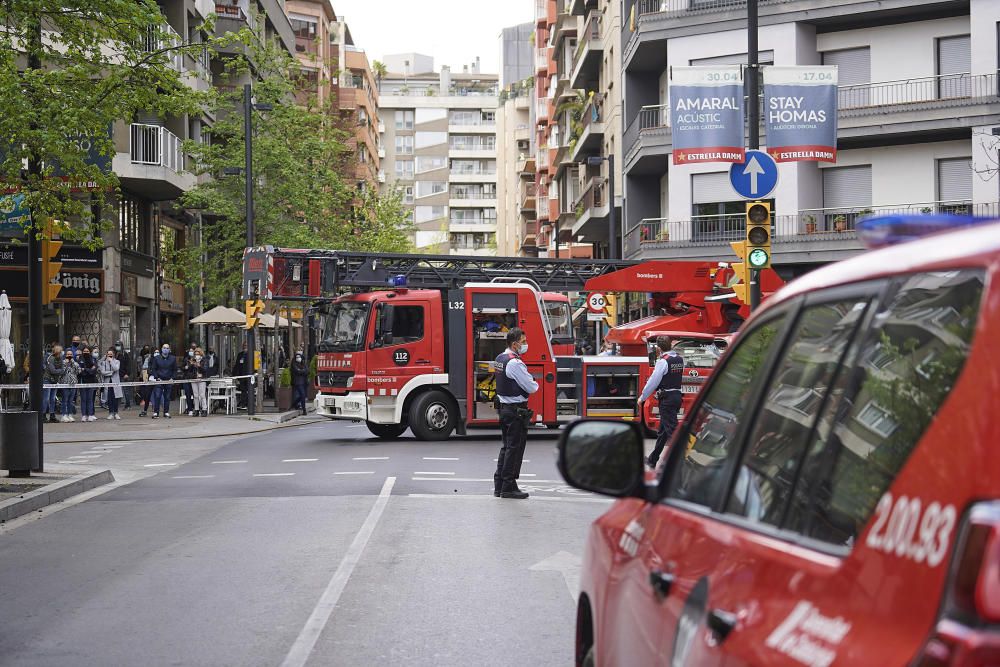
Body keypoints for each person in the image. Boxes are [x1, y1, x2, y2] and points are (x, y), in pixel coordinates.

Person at [492, 327, 539, 500]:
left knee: (506, 447)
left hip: (504, 408)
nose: (525, 345)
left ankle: (500, 485)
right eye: (523, 342)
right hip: (515, 410)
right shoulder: (515, 363)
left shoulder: (500, 358)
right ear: (514, 344)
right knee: (515, 448)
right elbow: (532, 387)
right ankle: (509, 486)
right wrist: (533, 381)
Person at [638, 335, 685, 469]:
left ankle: (684, 461)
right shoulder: (679, 359)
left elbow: (653, 381)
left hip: (667, 399)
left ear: (658, 348)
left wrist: (642, 397)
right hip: (677, 396)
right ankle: (653, 460)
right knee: (663, 431)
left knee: (672, 431)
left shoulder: (663, 362)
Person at [149, 343, 177, 418]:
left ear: (169, 350)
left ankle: (166, 412)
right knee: (157, 396)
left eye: (167, 348)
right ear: (161, 349)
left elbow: (175, 370)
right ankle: (156, 412)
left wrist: (172, 378)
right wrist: (157, 377)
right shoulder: (157, 358)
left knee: (167, 397)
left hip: (168, 380)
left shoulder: (173, 358)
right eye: (164, 348)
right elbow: (153, 369)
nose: (166, 349)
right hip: (159, 380)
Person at [42, 344, 66, 423]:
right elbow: (53, 370)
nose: (61, 353)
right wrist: (60, 371)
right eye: (60, 352)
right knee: (46, 398)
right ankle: (43, 415)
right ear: (57, 352)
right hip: (47, 379)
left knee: (52, 399)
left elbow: (63, 370)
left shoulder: (61, 359)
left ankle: (52, 415)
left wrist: (59, 371)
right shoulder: (51, 358)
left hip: (55, 380)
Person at [98, 347, 123, 420]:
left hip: (115, 382)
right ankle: (111, 413)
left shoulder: (117, 361)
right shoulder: (104, 362)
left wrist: (111, 361)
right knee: (109, 398)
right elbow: (103, 372)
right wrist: (111, 373)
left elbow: (116, 368)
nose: (110, 355)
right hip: (108, 382)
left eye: (111, 354)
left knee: (115, 398)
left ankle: (116, 413)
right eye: (108, 354)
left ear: (114, 355)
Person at [59, 348, 80, 422]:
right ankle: (64, 415)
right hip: (65, 383)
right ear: (65, 355)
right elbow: (61, 372)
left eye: (70, 354)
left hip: (73, 383)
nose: (69, 356)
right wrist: (66, 364)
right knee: (65, 400)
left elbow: (78, 371)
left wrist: (73, 362)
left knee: (71, 400)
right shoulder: (63, 362)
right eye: (68, 354)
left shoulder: (75, 363)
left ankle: (70, 414)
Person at [78, 345, 98, 422]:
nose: (86, 352)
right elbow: (80, 371)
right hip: (82, 381)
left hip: (91, 382)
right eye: (84, 351)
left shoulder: (93, 359)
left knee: (90, 399)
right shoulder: (80, 359)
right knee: (84, 399)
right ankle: (84, 415)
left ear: (90, 352)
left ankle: (90, 415)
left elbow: (93, 371)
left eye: (87, 351)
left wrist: (85, 369)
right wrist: (88, 370)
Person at [189, 347, 209, 417]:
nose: (197, 355)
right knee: (195, 395)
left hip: (202, 379)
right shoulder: (193, 360)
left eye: (198, 354)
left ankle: (204, 409)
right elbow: (189, 370)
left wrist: (199, 366)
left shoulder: (204, 360)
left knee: (202, 395)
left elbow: (205, 370)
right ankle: (196, 409)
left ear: (201, 354)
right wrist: (191, 364)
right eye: (195, 354)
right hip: (194, 379)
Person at [114, 341, 132, 410]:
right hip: (116, 375)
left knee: (126, 391)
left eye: (118, 345)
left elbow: (128, 364)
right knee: (116, 390)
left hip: (123, 375)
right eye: (116, 345)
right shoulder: (115, 354)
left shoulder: (125, 354)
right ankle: (117, 405)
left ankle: (128, 405)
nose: (117, 346)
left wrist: (127, 373)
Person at [290, 351, 309, 416]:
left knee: (303, 395)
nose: (298, 358)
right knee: (302, 395)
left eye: (299, 357)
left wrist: (302, 371)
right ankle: (304, 410)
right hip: (297, 382)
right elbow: (297, 371)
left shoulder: (303, 363)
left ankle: (294, 404)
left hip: (304, 382)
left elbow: (306, 371)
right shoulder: (294, 364)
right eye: (297, 357)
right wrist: (302, 371)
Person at [136, 345, 152, 416]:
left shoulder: (150, 358)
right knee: (144, 392)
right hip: (142, 377)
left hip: (150, 377)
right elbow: (139, 368)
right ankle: (144, 406)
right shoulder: (140, 358)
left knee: (151, 394)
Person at [233, 342, 249, 409]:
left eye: (246, 345)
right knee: (243, 390)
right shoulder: (240, 355)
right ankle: (243, 404)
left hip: (249, 375)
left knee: (248, 390)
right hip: (241, 375)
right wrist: (234, 375)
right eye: (244, 345)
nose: (245, 347)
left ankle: (247, 404)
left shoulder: (251, 354)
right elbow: (237, 365)